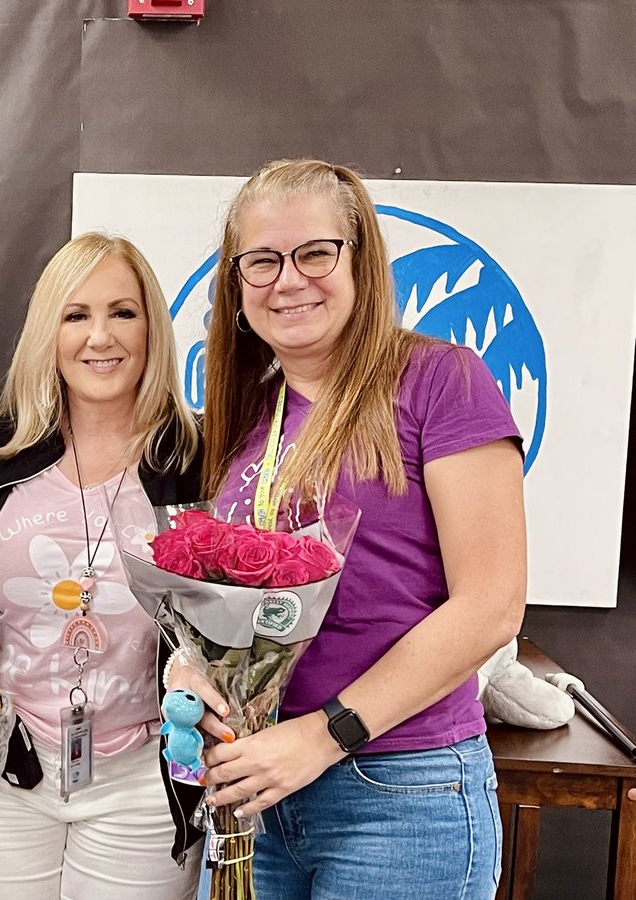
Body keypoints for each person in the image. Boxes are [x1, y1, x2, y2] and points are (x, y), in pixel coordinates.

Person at [179, 158, 526, 899]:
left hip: (400, 793)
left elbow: (491, 605)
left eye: (315, 253)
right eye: (262, 261)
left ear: (360, 261)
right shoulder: (242, 419)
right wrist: (192, 671)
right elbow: (217, 601)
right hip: (257, 793)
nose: (288, 279)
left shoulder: (442, 380)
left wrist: (321, 736)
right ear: (237, 286)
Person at [0, 233, 204, 899]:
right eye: (76, 314)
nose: (100, 336)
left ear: (152, 329)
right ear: (48, 331)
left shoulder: (198, 458)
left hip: (146, 779)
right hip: (7, 771)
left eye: (123, 312)